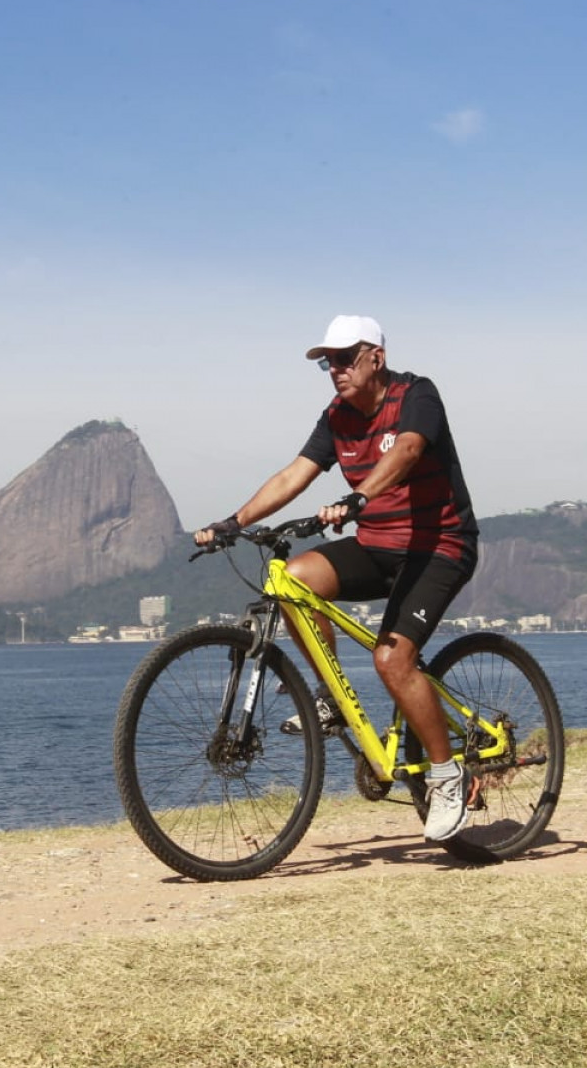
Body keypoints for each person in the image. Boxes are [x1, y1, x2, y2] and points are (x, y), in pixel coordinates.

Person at [195, 314, 481, 842]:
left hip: (439, 547)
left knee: (392, 660)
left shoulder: (416, 395)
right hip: (377, 547)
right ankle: (330, 699)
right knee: (293, 580)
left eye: (346, 359)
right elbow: (294, 474)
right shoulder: (336, 417)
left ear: (376, 356)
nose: (336, 370)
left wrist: (357, 497)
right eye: (328, 362)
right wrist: (234, 522)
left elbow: (408, 449)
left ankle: (447, 777)